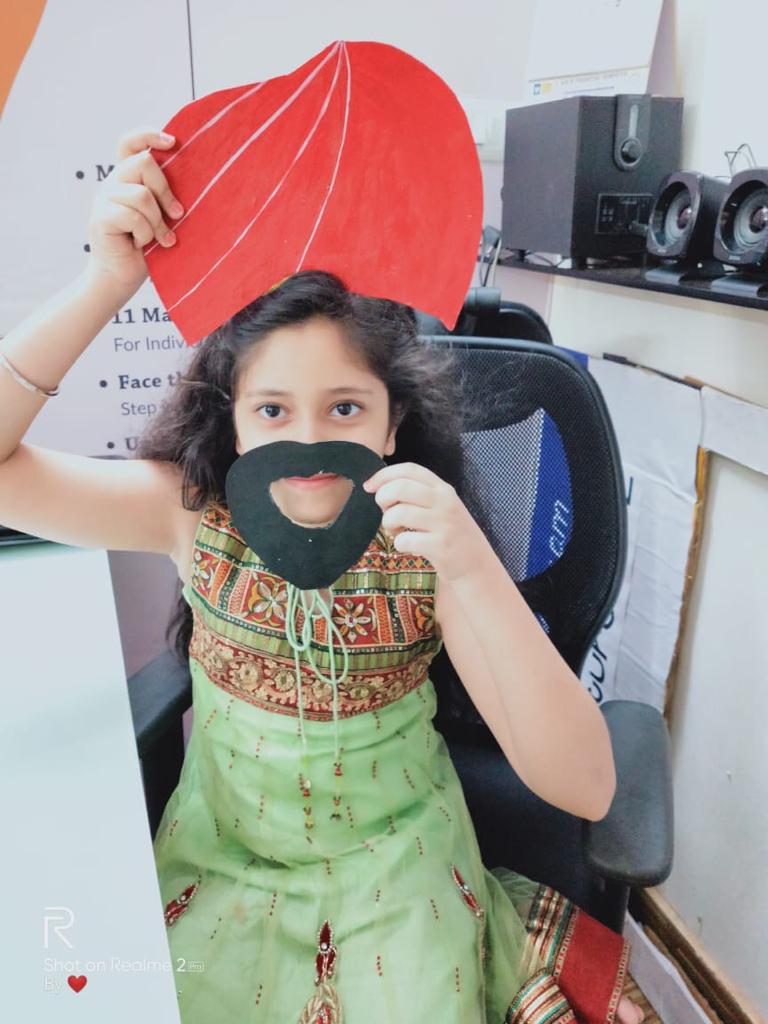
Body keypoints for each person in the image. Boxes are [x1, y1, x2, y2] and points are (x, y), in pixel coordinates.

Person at [0, 127, 645, 1024]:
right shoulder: (189, 513)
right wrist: (105, 282)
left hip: (398, 876)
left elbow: (587, 788)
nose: (308, 442)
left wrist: (470, 565)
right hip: (224, 869)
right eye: (272, 409)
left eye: (344, 407)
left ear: (391, 423)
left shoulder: (424, 546)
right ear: (232, 421)